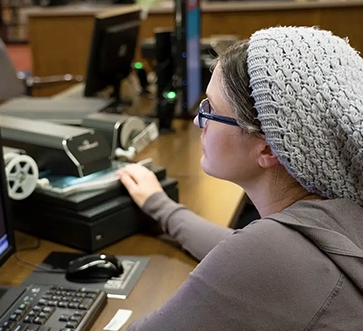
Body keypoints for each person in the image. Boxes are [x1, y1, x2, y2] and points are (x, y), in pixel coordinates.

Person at [117, 26, 363, 330]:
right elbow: (234, 249)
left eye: (210, 109)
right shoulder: (336, 218)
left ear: (268, 148)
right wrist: (160, 206)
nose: (197, 120)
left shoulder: (269, 254)